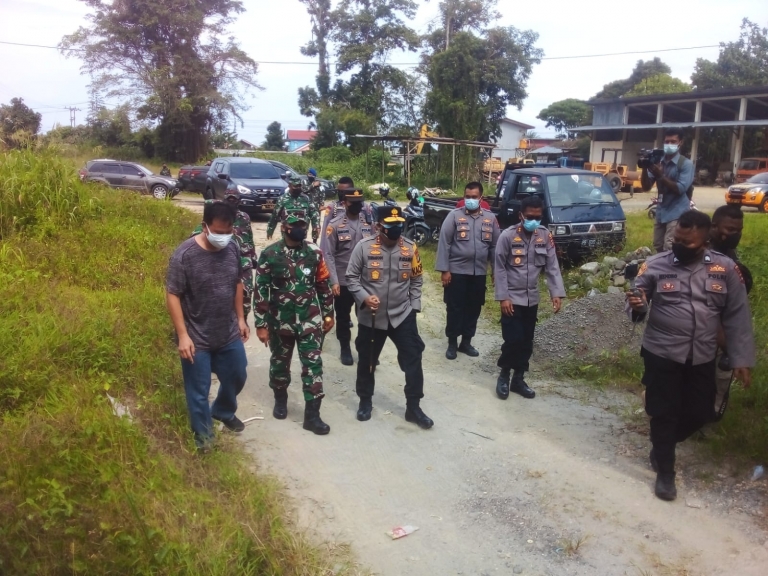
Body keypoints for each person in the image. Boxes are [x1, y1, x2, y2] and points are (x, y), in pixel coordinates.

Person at [626, 210, 755, 501]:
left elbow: (737, 316)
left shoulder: (725, 269)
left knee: (701, 413)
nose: (682, 246)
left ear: (706, 239)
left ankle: (662, 444)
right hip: (662, 352)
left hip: (702, 355)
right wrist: (638, 304)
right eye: (678, 240)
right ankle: (666, 473)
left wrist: (741, 357)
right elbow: (638, 296)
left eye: (690, 243)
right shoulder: (656, 265)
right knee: (664, 412)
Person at [165, 201, 250, 451]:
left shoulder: (233, 248)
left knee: (238, 374)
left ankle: (222, 411)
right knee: (198, 391)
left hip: (227, 333)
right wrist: (182, 335)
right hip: (196, 337)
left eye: (228, 232)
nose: (223, 237)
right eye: (218, 232)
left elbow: (237, 283)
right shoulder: (184, 255)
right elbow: (172, 294)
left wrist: (241, 318)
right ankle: (204, 439)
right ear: (204, 226)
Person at [345, 206, 433, 429]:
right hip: (372, 317)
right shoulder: (363, 248)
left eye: (399, 227)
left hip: (402, 314)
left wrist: (414, 307)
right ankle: (365, 401)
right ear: (378, 227)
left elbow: (416, 279)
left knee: (413, 359)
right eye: (390, 227)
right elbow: (352, 277)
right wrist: (364, 298)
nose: (395, 232)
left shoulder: (410, 248)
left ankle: (413, 407)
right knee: (367, 361)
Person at [254, 210, 335, 435]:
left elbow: (323, 285)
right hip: (281, 322)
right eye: (295, 224)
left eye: (303, 224)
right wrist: (261, 324)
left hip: (309, 321)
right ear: (284, 227)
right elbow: (261, 290)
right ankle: (280, 400)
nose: (300, 228)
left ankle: (312, 416)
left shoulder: (314, 253)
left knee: (313, 366)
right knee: (280, 364)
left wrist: (328, 314)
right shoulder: (270, 254)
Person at [494, 195, 565, 400]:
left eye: (538, 216)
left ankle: (519, 378)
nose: (534, 220)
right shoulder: (507, 236)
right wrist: (503, 297)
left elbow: (552, 266)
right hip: (512, 298)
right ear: (521, 215)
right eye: (529, 216)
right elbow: (499, 268)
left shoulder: (544, 236)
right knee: (512, 339)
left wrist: (556, 293)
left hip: (531, 299)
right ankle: (504, 375)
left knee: (526, 341)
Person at [436, 182, 500, 359]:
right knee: (455, 307)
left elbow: (495, 247)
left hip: (479, 272)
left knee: (473, 308)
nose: (470, 200)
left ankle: (466, 342)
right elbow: (444, 242)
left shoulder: (490, 218)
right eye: (467, 197)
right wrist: (444, 270)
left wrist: (496, 271)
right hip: (456, 271)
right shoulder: (454, 216)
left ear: (481, 198)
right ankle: (452, 343)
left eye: (474, 197)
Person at [320, 188, 374, 365]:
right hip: (342, 280)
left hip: (363, 280)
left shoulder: (368, 225)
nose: (357, 206)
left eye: (360, 202)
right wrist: (333, 280)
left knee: (366, 317)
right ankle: (345, 348)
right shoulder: (334, 225)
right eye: (353, 202)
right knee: (343, 317)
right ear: (344, 203)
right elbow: (328, 254)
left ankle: (363, 347)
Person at [709, 205, 753, 419]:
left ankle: (710, 418)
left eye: (739, 230)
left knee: (720, 381)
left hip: (723, 331)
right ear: (714, 227)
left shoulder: (729, 254)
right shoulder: (699, 251)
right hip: (701, 331)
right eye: (731, 229)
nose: (735, 234)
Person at [191, 192, 257, 322]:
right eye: (229, 199)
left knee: (245, 294)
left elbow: (249, 237)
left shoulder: (244, 217)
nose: (232, 202)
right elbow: (196, 240)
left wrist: (252, 255)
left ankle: (241, 321)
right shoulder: (213, 220)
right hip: (220, 263)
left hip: (243, 262)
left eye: (235, 200)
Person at [641, 128, 694, 253]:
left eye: (673, 141)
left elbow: (680, 189)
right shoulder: (659, 162)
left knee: (670, 246)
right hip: (661, 212)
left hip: (677, 212)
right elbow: (646, 187)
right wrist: (645, 168)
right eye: (667, 141)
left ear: (680, 142)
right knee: (658, 244)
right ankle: (663, 269)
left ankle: (671, 271)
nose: (669, 144)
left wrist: (660, 176)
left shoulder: (685, 164)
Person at [267, 175, 320, 243]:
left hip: (302, 230)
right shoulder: (282, 199)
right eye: (295, 186)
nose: (297, 188)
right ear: (289, 186)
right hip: (288, 230)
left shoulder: (306, 198)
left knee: (301, 247)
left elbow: (314, 213)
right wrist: (270, 229)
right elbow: (275, 215)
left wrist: (316, 226)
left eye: (299, 186)